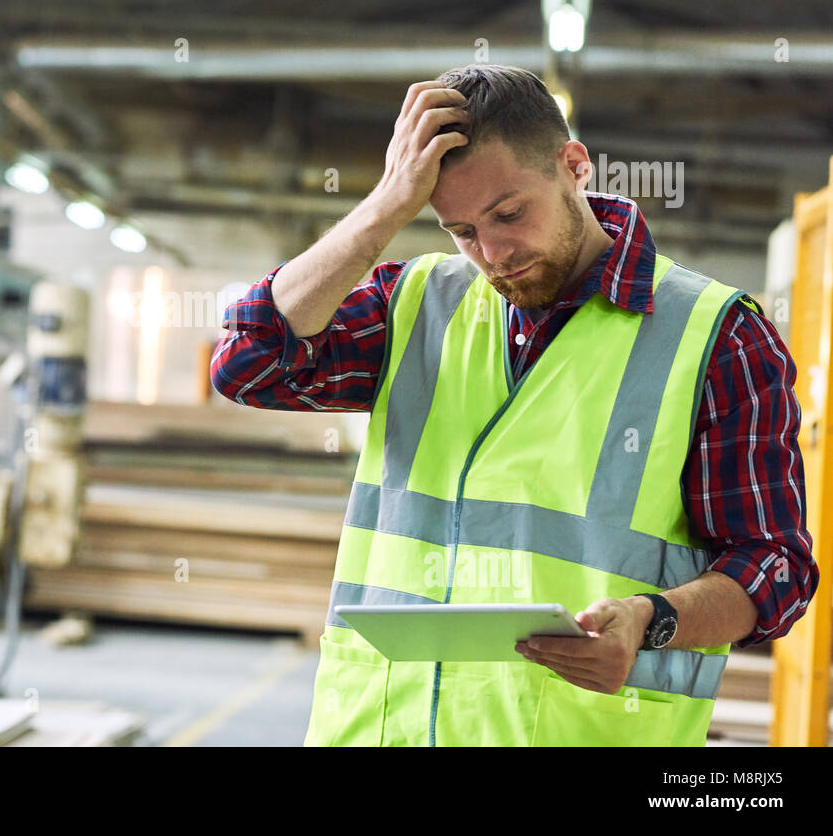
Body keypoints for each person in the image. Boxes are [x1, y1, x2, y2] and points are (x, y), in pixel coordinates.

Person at [210, 65, 817, 746]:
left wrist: (653, 619)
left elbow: (774, 565)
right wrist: (384, 207)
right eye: (462, 230)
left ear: (574, 166)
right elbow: (249, 361)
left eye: (509, 213)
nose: (493, 254)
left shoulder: (716, 336)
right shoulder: (413, 306)